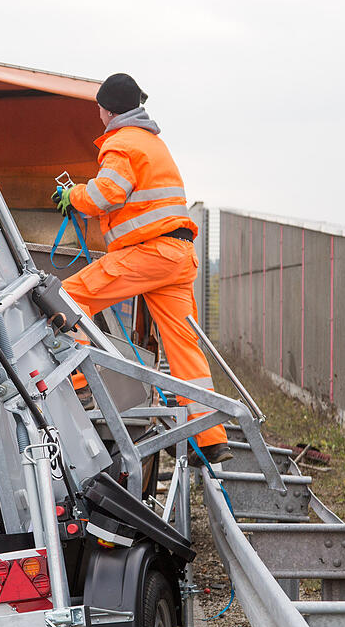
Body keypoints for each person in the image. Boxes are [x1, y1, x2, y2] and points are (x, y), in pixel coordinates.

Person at [53, 73, 230, 462]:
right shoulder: (152, 143)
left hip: (151, 253)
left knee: (69, 298)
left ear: (108, 108)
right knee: (184, 347)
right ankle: (211, 436)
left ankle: (79, 383)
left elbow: (107, 193)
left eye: (99, 106)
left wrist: (72, 196)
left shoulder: (121, 143)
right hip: (178, 256)